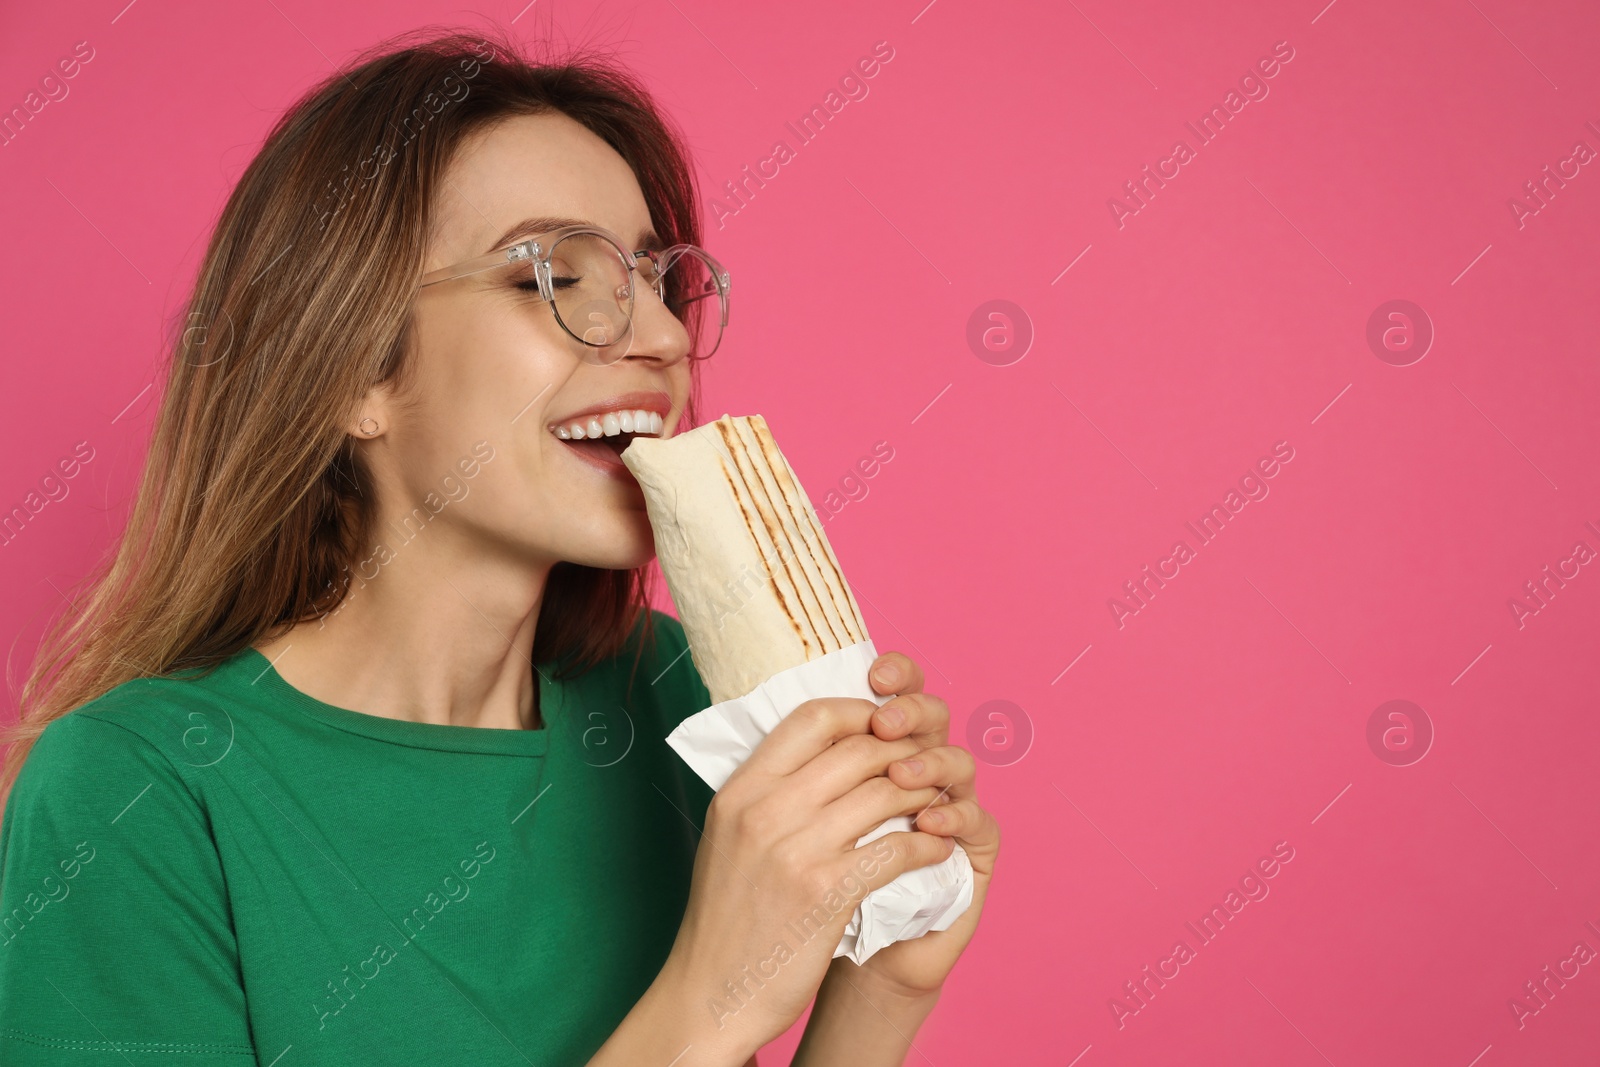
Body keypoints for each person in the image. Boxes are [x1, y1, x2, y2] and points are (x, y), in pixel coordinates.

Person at [0, 26, 999, 1066]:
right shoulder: (133, 788)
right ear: (354, 375)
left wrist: (880, 986)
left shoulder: (668, 690)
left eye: (660, 280)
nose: (658, 335)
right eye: (554, 278)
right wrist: (708, 1000)